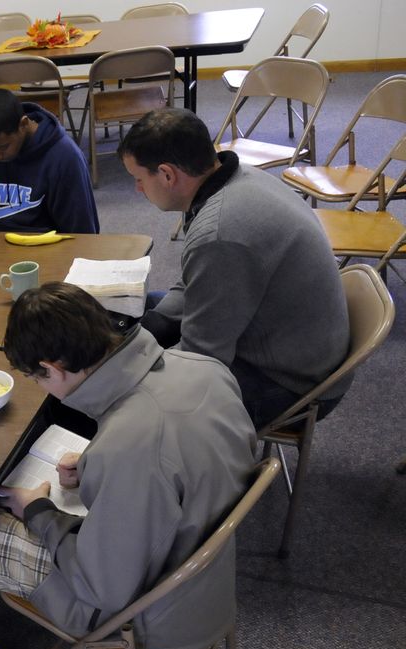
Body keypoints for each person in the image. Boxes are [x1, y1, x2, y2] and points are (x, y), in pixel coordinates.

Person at [0, 283, 256, 649]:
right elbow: (186, 453)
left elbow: (102, 586)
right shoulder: (200, 367)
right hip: (209, 568)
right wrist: (98, 467)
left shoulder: (128, 448)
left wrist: (38, 510)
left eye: (36, 378)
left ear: (52, 368)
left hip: (152, 611)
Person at [119, 108, 351, 429]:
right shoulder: (232, 178)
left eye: (138, 179)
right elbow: (195, 281)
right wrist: (153, 325)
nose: (138, 190)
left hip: (291, 382)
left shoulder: (219, 233)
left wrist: (127, 368)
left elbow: (202, 360)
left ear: (167, 174)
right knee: (147, 309)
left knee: (131, 403)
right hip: (296, 341)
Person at [0, 88, 98, 233]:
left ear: (23, 124)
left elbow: (81, 233)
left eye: (3, 147)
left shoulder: (64, 157)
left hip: (47, 248)